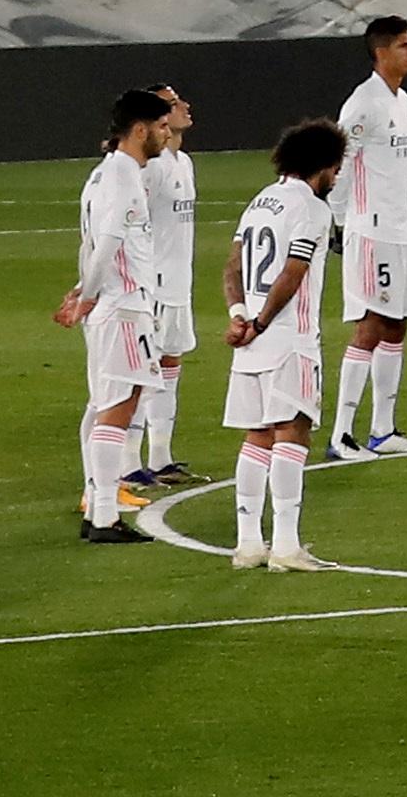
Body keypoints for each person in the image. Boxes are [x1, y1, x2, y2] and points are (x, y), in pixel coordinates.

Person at [216, 120, 344, 573]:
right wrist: (263, 322)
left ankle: (248, 544)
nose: (337, 176)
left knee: (256, 437)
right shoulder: (311, 209)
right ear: (323, 166)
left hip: (249, 341)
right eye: (336, 167)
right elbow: (293, 272)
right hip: (288, 338)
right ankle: (287, 546)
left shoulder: (258, 203)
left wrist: (239, 318)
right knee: (292, 433)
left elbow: (232, 266)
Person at [55, 86, 179, 542]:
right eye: (162, 127)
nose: (167, 135)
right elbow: (106, 244)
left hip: (112, 305)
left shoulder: (102, 174)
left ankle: (98, 507)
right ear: (141, 129)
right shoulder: (124, 177)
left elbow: (90, 243)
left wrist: (82, 290)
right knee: (118, 409)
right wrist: (87, 295)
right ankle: (104, 516)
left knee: (102, 405)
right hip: (124, 307)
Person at [328, 17, 407, 460]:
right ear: (381, 52)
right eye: (405, 45)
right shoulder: (363, 104)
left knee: (397, 323)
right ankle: (341, 435)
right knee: (371, 324)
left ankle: (383, 430)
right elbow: (341, 163)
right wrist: (332, 220)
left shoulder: (401, 101)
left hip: (400, 228)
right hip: (370, 230)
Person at [127, 84, 202, 499]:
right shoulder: (150, 169)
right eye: (174, 104)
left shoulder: (183, 162)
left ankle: (160, 457)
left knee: (169, 367)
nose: (185, 107)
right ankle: (128, 464)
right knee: (143, 373)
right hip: (151, 284)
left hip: (177, 284)